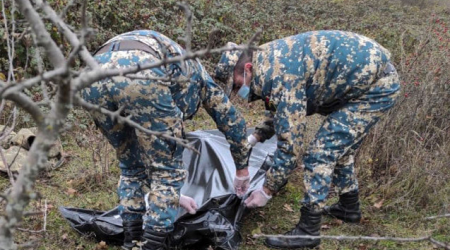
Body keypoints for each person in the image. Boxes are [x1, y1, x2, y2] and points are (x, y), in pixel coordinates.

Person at [214, 30, 400, 249]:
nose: (237, 92)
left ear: (247, 69)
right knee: (340, 148)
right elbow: (279, 109)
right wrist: (256, 137)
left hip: (376, 88)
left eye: (236, 85)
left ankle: (308, 231)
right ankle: (349, 208)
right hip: (361, 83)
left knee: (320, 154)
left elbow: (290, 145)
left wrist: (267, 190)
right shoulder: (266, 61)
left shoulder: (279, 73)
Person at [82, 30, 252, 250]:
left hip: (92, 73)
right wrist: (242, 170)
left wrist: (174, 196)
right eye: (236, 87)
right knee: (167, 171)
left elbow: (144, 149)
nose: (239, 91)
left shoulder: (179, 63)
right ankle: (151, 246)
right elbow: (233, 123)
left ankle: (130, 242)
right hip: (140, 71)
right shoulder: (200, 77)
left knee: (131, 167)